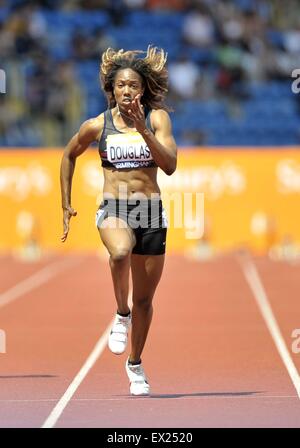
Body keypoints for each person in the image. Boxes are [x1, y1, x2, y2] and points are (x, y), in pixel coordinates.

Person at [60, 46, 177, 396]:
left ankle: (135, 364)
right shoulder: (98, 125)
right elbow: (68, 155)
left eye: (134, 85)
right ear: (112, 90)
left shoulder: (157, 120)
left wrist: (143, 130)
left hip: (151, 213)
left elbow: (169, 165)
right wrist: (65, 204)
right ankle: (120, 313)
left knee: (146, 301)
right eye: (121, 85)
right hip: (114, 208)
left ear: (143, 90)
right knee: (120, 252)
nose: (127, 90)